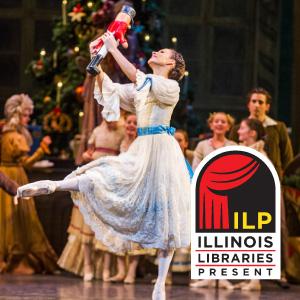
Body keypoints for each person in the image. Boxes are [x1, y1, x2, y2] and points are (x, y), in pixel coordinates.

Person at [17, 32, 190, 300]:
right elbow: (114, 90)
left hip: (162, 151)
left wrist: (113, 48)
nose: (157, 52)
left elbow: (135, 76)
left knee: (165, 214)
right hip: (141, 149)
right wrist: (96, 60)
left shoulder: (170, 87)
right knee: (104, 175)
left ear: (172, 65)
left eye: (163, 52)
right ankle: (55, 185)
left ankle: (160, 283)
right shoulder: (143, 89)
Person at [229, 88, 294, 287]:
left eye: (261, 102)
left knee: (278, 227)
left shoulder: (278, 127)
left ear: (267, 106)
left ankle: (280, 271)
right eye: (254, 101)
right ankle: (244, 272)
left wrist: (282, 181)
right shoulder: (240, 127)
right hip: (244, 185)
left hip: (272, 185)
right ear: (248, 104)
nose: (257, 105)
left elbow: (287, 158)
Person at [58, 116, 125, 282]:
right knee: (86, 225)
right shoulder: (97, 131)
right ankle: (88, 265)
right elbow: (88, 151)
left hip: (109, 179)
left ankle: (106, 268)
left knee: (106, 226)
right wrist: (88, 156)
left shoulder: (122, 131)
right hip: (93, 175)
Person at [0, 94, 57, 274]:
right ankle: (16, 257)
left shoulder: (6, 132)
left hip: (8, 173)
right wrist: (41, 149)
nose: (28, 119)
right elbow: (26, 162)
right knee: (16, 218)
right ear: (17, 114)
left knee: (9, 217)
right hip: (13, 175)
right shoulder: (15, 136)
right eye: (25, 115)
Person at [190, 112, 236, 289]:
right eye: (216, 121)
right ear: (211, 125)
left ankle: (222, 275)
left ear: (228, 126)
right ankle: (208, 275)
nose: (219, 124)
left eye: (223, 122)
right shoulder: (202, 145)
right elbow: (196, 167)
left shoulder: (232, 145)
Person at [235, 118, 266, 291]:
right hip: (245, 201)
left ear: (252, 133)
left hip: (255, 203)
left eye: (242, 128)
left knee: (255, 240)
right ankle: (251, 279)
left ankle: (255, 281)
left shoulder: (258, 152)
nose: (239, 131)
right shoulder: (247, 150)